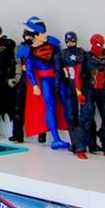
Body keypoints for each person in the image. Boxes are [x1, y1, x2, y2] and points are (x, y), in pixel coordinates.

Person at [17, 17, 71, 149]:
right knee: (50, 107)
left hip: (57, 78)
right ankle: (56, 139)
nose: (45, 35)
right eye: (42, 33)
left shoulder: (53, 43)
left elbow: (61, 61)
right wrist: (35, 85)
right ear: (36, 35)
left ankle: (74, 136)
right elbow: (29, 70)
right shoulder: (28, 50)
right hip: (44, 80)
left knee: (67, 104)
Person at [58, 31, 91, 158]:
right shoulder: (62, 54)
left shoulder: (82, 52)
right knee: (71, 116)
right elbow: (58, 71)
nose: (70, 42)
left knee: (86, 115)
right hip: (69, 87)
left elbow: (87, 69)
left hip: (82, 87)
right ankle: (76, 144)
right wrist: (57, 85)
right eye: (68, 40)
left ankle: (87, 143)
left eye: (72, 40)